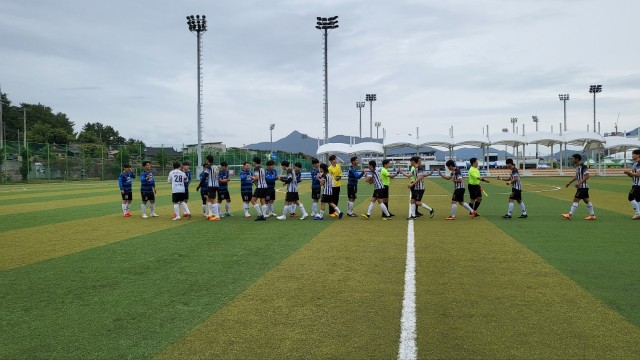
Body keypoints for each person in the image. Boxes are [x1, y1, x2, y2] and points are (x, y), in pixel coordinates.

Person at [562, 154, 596, 220]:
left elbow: (587, 176)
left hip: (582, 187)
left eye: (573, 159)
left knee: (576, 200)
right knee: (586, 201)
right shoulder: (578, 167)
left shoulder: (583, 166)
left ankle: (569, 215)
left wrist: (579, 183)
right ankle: (592, 216)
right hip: (583, 187)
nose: (572, 160)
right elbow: (576, 176)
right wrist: (569, 182)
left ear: (577, 159)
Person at [250, 156, 268, 221]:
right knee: (262, 201)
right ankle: (264, 216)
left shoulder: (256, 168)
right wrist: (254, 178)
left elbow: (257, 177)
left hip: (260, 186)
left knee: (253, 200)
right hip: (265, 186)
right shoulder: (262, 168)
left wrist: (252, 180)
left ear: (254, 162)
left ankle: (260, 214)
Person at [203, 155, 221, 221]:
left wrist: (199, 185)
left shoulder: (208, 166)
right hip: (216, 184)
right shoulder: (216, 167)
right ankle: (212, 214)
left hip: (211, 185)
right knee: (211, 199)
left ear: (207, 160)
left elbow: (205, 176)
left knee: (213, 200)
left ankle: (217, 216)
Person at [624, 149, 640, 220]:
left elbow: (638, 174)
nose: (632, 155)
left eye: (633, 154)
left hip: (638, 184)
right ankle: (638, 213)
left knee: (630, 197)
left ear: (638, 155)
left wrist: (630, 173)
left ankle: (637, 213)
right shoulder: (635, 164)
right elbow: (633, 175)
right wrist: (628, 174)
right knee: (638, 199)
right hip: (635, 184)